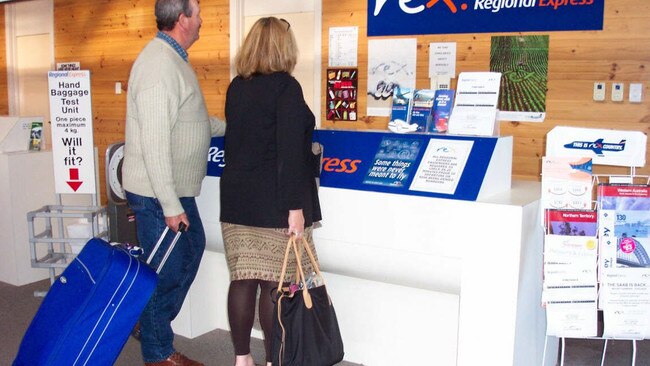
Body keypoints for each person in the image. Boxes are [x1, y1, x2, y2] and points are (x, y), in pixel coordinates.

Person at [122, 0, 225, 365]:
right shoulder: (158, 66)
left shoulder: (174, 60)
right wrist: (170, 206)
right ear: (182, 19)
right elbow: (153, 142)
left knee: (191, 249)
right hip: (157, 194)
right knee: (165, 270)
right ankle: (157, 351)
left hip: (173, 191)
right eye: (197, 12)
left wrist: (233, 127)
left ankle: (148, 325)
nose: (202, 19)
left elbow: (192, 121)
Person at [220, 17, 322, 366]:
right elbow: (291, 154)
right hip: (274, 202)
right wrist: (296, 207)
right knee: (272, 285)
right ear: (284, 47)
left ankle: (241, 358)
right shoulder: (287, 88)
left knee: (243, 279)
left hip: (236, 202)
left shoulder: (236, 86)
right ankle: (272, 359)